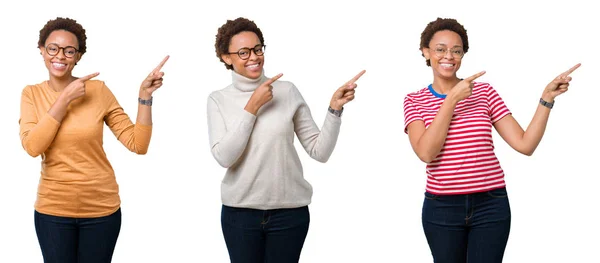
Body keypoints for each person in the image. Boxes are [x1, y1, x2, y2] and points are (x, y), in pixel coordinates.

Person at [403, 17, 579, 263]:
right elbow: (426, 153)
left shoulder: (485, 93)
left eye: (456, 50)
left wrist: (546, 98)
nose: (449, 56)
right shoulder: (414, 100)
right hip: (442, 207)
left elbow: (525, 144)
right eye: (440, 49)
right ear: (426, 52)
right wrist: (452, 99)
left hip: (491, 205)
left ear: (463, 54)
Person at [207, 17, 365, 263]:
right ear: (227, 58)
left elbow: (319, 151)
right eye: (243, 52)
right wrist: (252, 106)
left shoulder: (287, 91)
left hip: (290, 214)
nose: (254, 57)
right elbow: (224, 157)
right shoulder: (218, 99)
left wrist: (334, 110)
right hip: (240, 215)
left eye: (258, 49)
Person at [18, 17, 168, 263]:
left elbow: (137, 144)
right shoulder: (31, 94)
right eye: (53, 48)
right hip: (52, 210)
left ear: (78, 56)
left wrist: (144, 96)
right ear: (42, 50)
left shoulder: (98, 91)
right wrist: (64, 99)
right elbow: (33, 147)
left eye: (69, 51)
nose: (60, 56)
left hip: (102, 210)